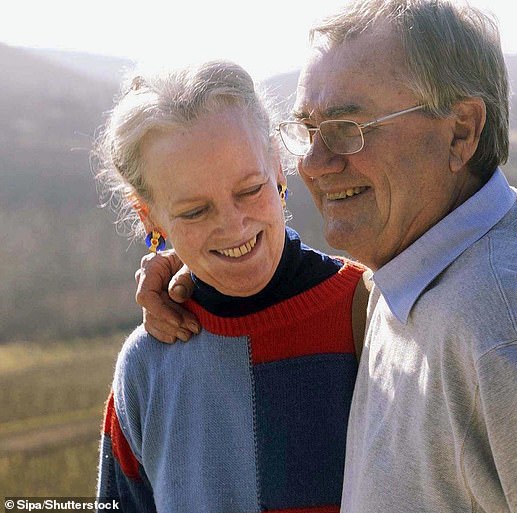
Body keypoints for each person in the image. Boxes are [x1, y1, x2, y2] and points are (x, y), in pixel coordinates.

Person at [137, 1, 517, 511]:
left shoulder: (512, 321)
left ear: (461, 130)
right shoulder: (413, 273)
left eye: (348, 128)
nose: (313, 162)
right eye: (308, 129)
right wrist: (208, 263)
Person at [94, 60, 369, 512]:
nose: (234, 226)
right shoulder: (147, 367)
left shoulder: (371, 314)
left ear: (278, 168)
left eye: (249, 189)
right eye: (195, 211)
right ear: (149, 217)